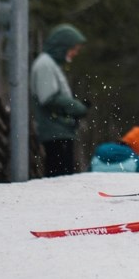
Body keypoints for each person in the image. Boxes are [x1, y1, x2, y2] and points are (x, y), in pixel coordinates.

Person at [30, 23, 90, 177]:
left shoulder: (50, 64)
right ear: (63, 46)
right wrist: (77, 107)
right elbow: (49, 98)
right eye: (73, 48)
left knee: (61, 176)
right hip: (55, 132)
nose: (74, 53)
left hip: (59, 131)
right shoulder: (45, 64)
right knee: (59, 177)